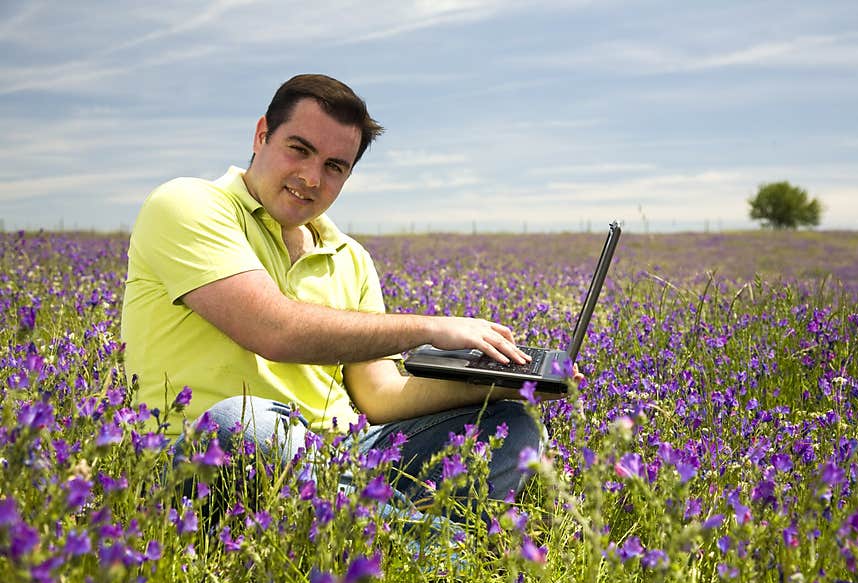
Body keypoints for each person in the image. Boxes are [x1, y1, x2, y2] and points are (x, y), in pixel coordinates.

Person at [121, 73, 581, 526]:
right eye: (299, 149)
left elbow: (379, 395)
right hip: (213, 454)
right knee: (244, 424)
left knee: (515, 425)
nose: (310, 177)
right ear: (262, 134)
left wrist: (502, 383)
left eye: (334, 166)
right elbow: (273, 331)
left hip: (343, 454)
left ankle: (366, 522)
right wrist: (428, 328)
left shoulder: (350, 257)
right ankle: (429, 549)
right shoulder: (187, 204)